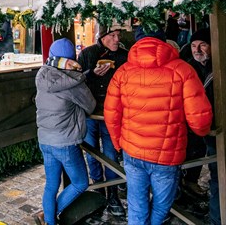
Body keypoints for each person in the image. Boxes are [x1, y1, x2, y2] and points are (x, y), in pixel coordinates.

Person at [104, 27, 213, 225]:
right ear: (163, 41)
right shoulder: (183, 70)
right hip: (167, 155)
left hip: (133, 151)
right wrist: (201, 132)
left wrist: (118, 143)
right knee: (163, 204)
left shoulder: (122, 72)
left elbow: (111, 114)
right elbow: (199, 120)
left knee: (136, 204)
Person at [34, 38, 96, 225]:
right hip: (66, 142)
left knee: (51, 185)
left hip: (45, 139)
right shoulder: (73, 81)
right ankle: (48, 214)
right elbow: (91, 106)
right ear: (72, 58)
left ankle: (50, 220)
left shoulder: (42, 74)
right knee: (80, 183)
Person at [76, 24, 128, 216]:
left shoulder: (124, 56)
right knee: (92, 154)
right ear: (102, 37)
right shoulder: (87, 54)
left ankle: (113, 194)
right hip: (90, 113)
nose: (117, 39)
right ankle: (99, 191)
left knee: (111, 155)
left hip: (112, 114)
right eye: (112, 35)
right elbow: (75, 79)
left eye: (118, 35)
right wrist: (90, 74)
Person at [187, 28, 220, 225]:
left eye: (202, 45)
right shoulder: (189, 67)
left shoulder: (219, 66)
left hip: (216, 129)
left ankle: (217, 217)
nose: (197, 49)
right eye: (193, 45)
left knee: (217, 171)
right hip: (195, 128)